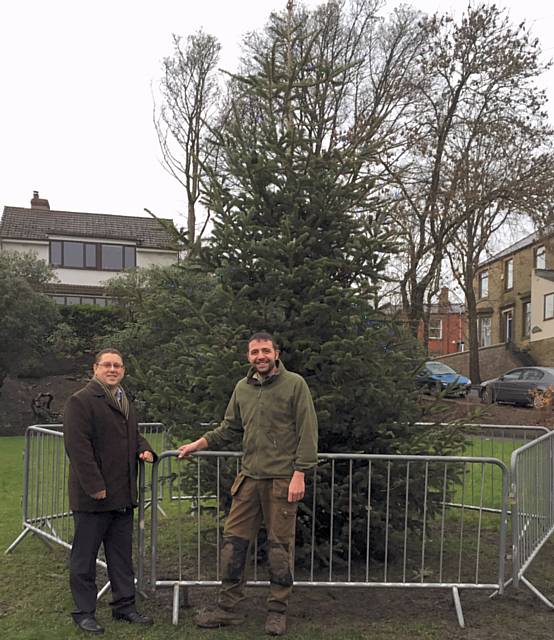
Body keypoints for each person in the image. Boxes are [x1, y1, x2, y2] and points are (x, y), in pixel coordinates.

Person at [178, 331, 318, 636]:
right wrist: (197, 444)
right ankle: (228, 608)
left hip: (282, 481)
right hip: (248, 480)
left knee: (280, 547)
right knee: (234, 543)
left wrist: (300, 473)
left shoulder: (295, 385)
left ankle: (277, 610)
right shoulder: (242, 388)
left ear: (276, 353)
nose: (260, 357)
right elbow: (230, 428)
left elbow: (308, 431)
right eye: (255, 352)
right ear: (248, 357)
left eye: (265, 351)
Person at [63, 348, 155, 634]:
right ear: (95, 368)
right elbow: (78, 448)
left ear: (123, 370)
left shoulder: (123, 399)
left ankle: (124, 606)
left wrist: (145, 449)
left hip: (123, 495)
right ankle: (84, 612)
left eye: (117, 365)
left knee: (121, 556)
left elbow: (132, 434)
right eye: (107, 365)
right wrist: (95, 486)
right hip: (94, 497)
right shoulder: (81, 401)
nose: (112, 369)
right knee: (84, 557)